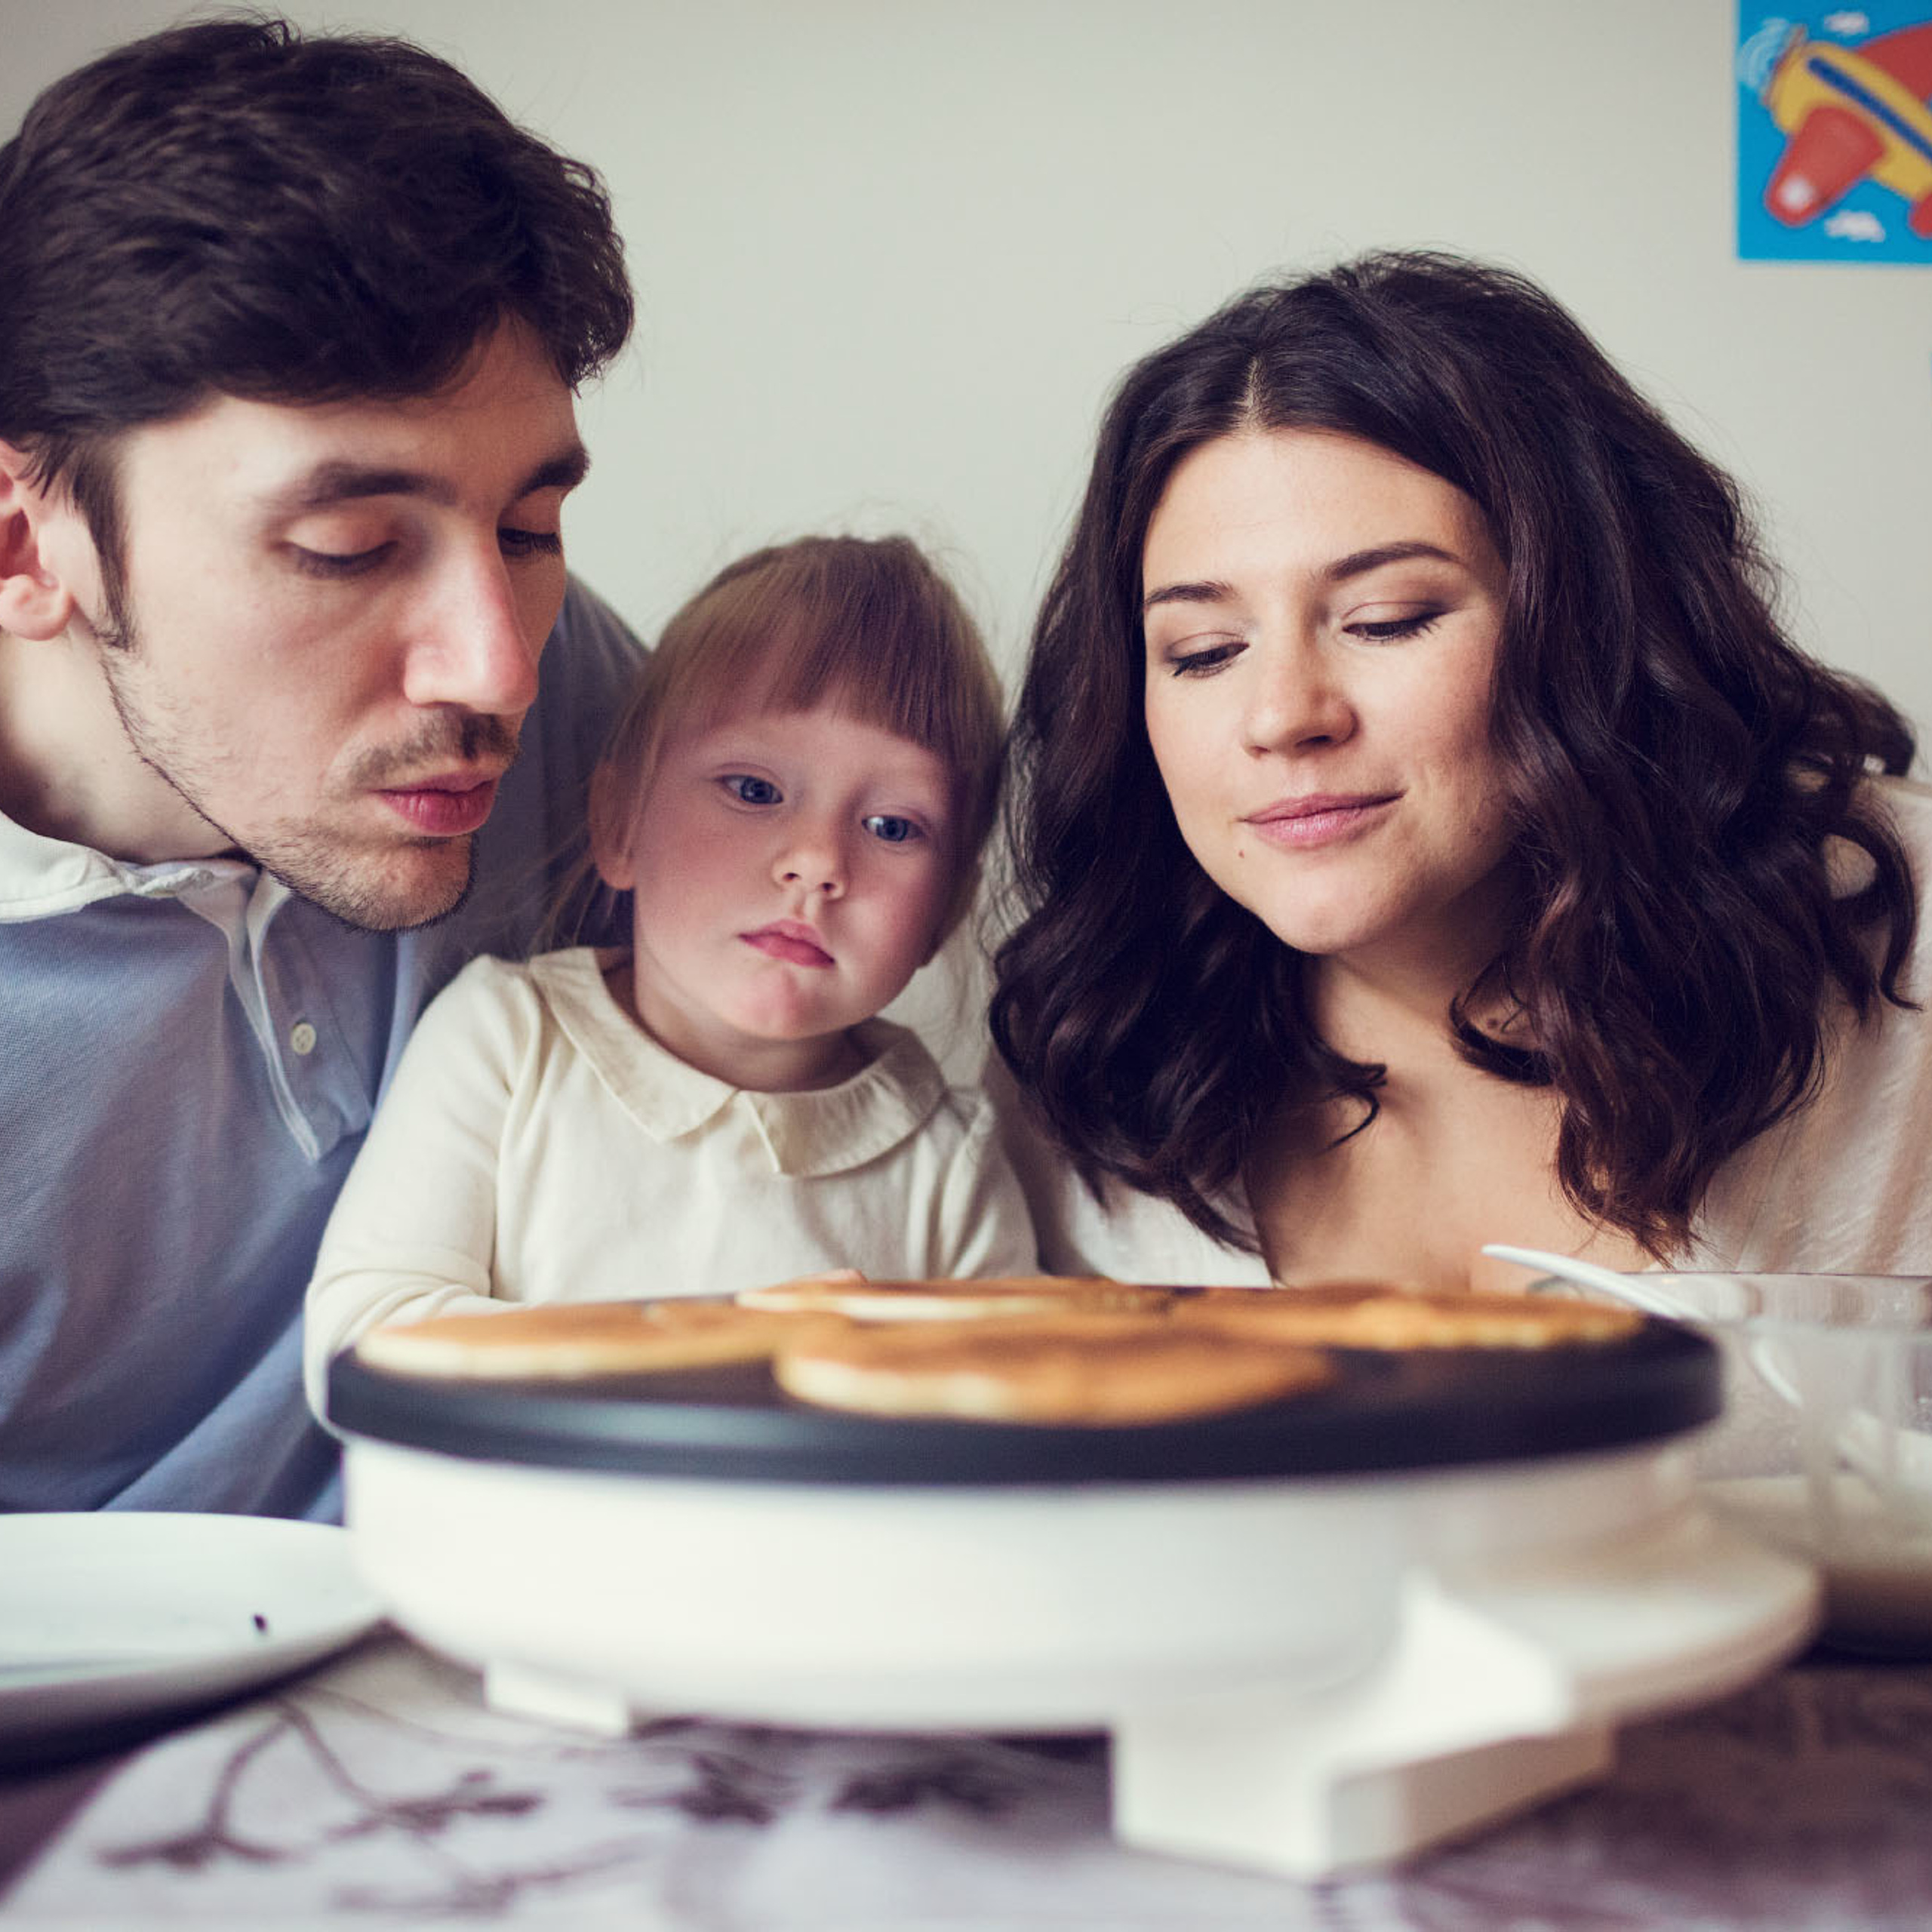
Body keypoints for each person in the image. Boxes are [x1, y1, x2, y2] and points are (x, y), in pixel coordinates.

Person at [989, 249, 1930, 1294]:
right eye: (1205, 652)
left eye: (1386, 620)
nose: (1284, 716)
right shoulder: (1086, 1051)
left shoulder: (1907, 950)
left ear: (1591, 623)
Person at [0, 18, 641, 1517]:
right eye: (348, 548)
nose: (496, 666)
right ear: (26, 544)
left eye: (529, 529)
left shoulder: (581, 705)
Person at [304, 534, 1036, 1400]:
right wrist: (715, 1347)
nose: (816, 862)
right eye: (754, 789)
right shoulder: (507, 1039)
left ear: (945, 911)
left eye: (892, 827)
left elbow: (1008, 1421)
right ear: (621, 823)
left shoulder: (950, 1163)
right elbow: (361, 1344)